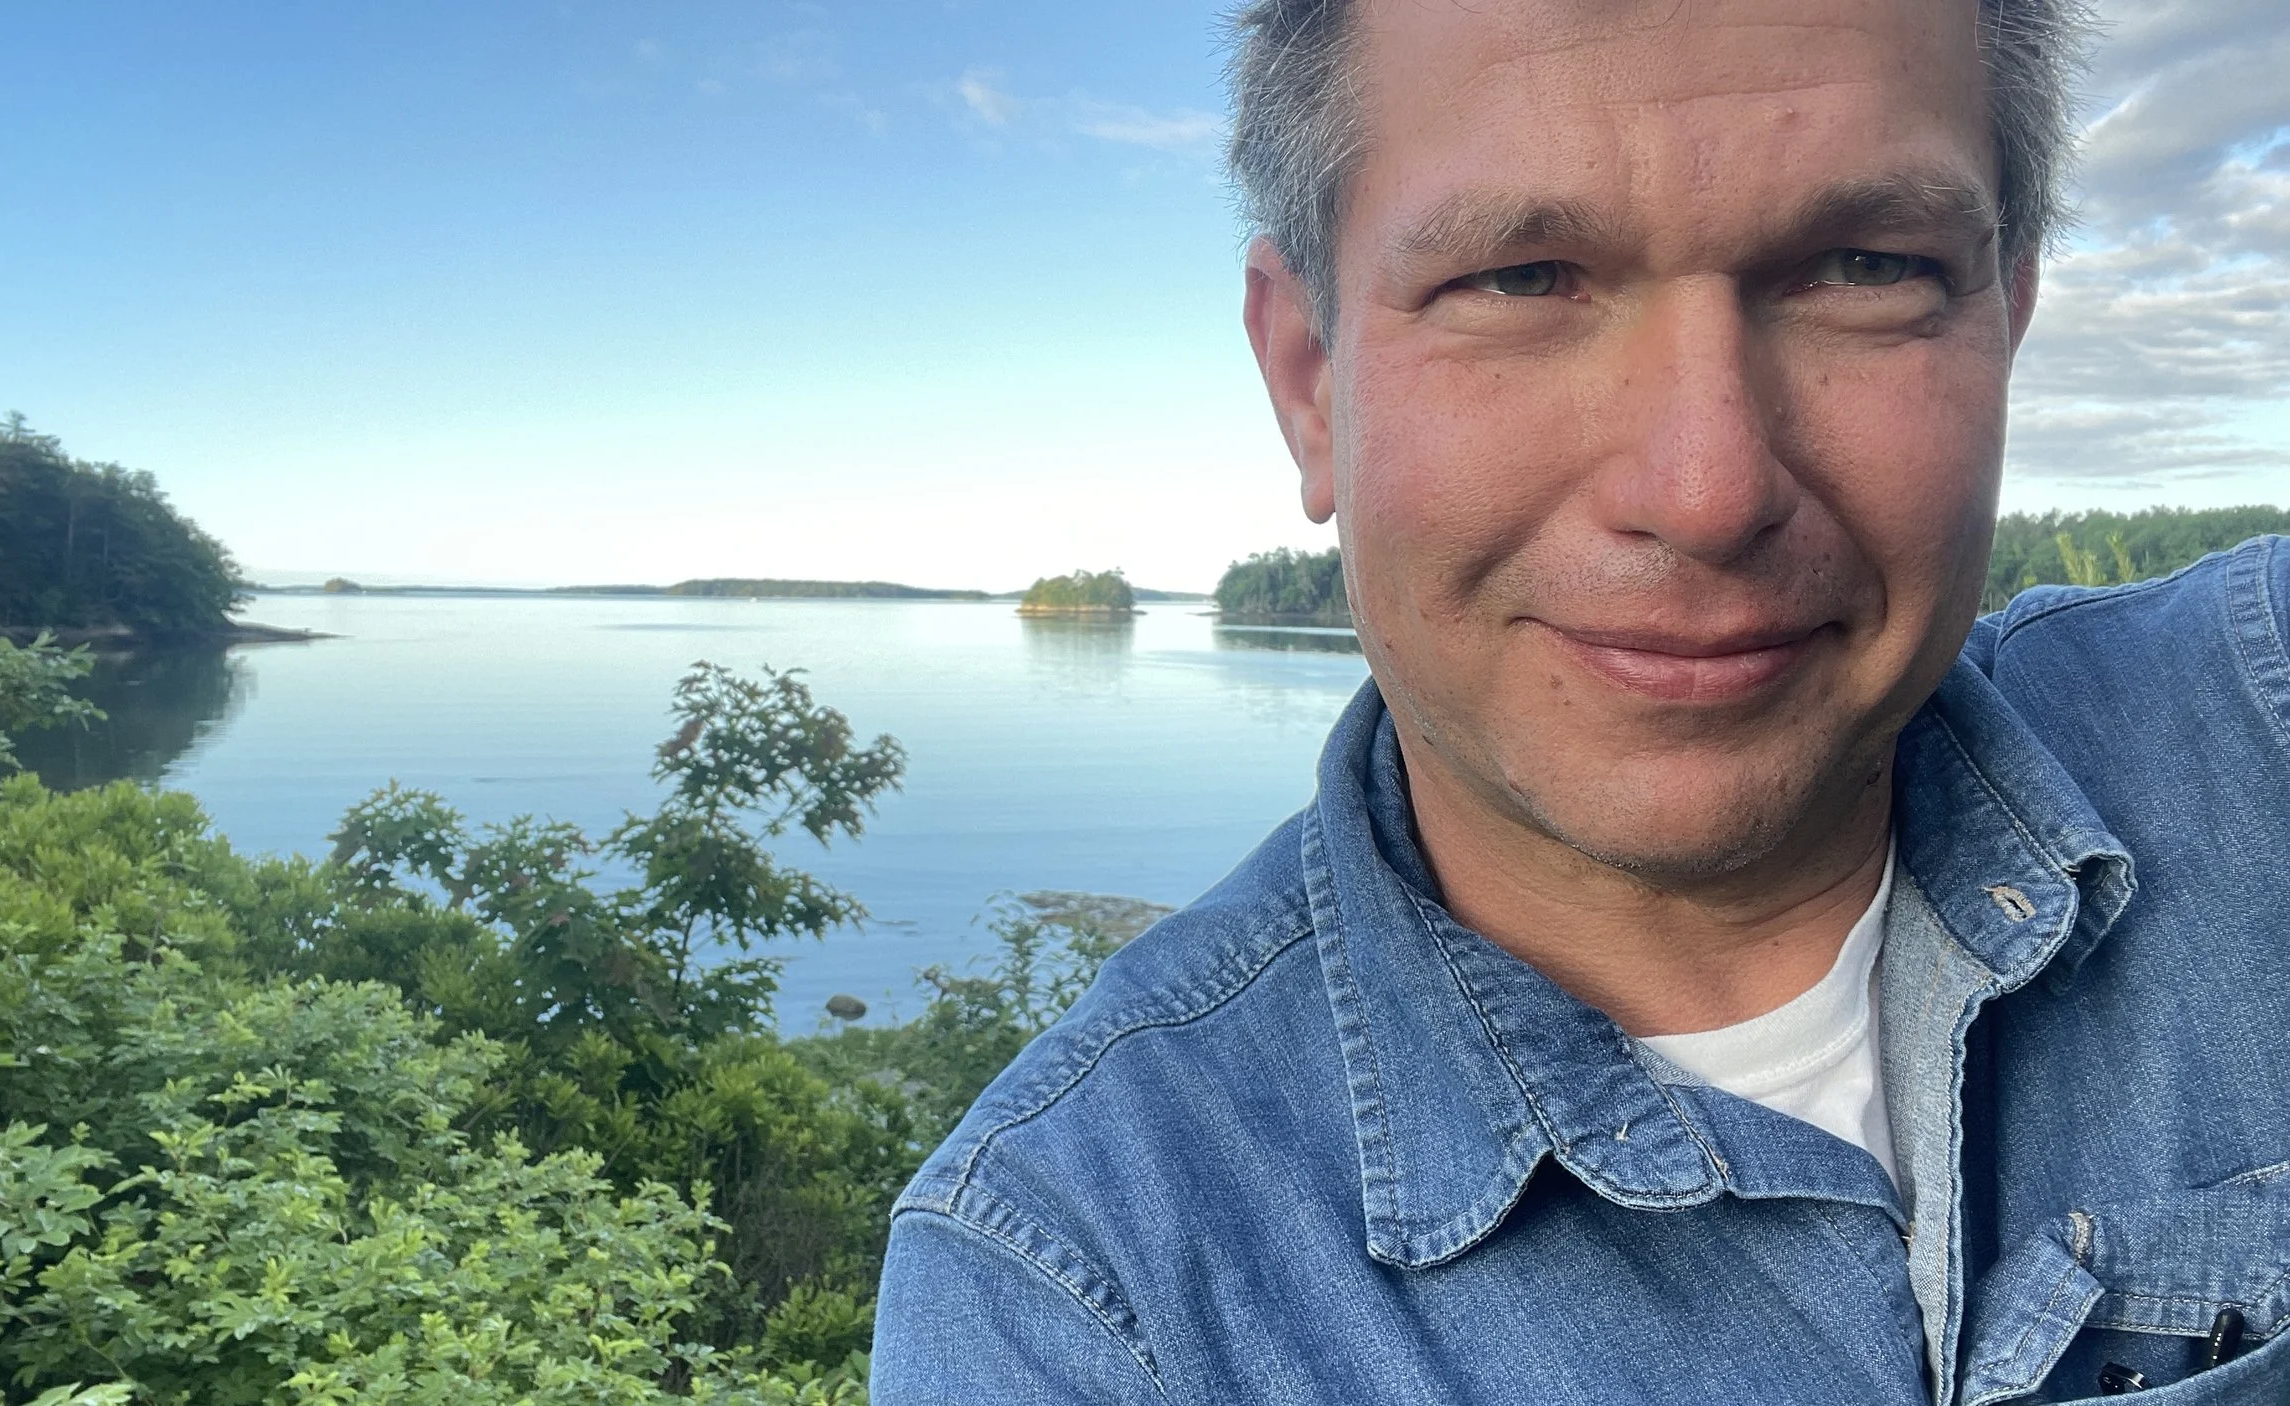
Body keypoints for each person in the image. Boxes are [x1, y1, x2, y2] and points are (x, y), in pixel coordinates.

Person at [872, 0, 2290, 1399]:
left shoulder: (2259, 712)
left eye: (1865, 265)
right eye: (1523, 278)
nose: (1708, 490)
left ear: (2007, 317)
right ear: (1309, 382)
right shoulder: (1077, 1297)